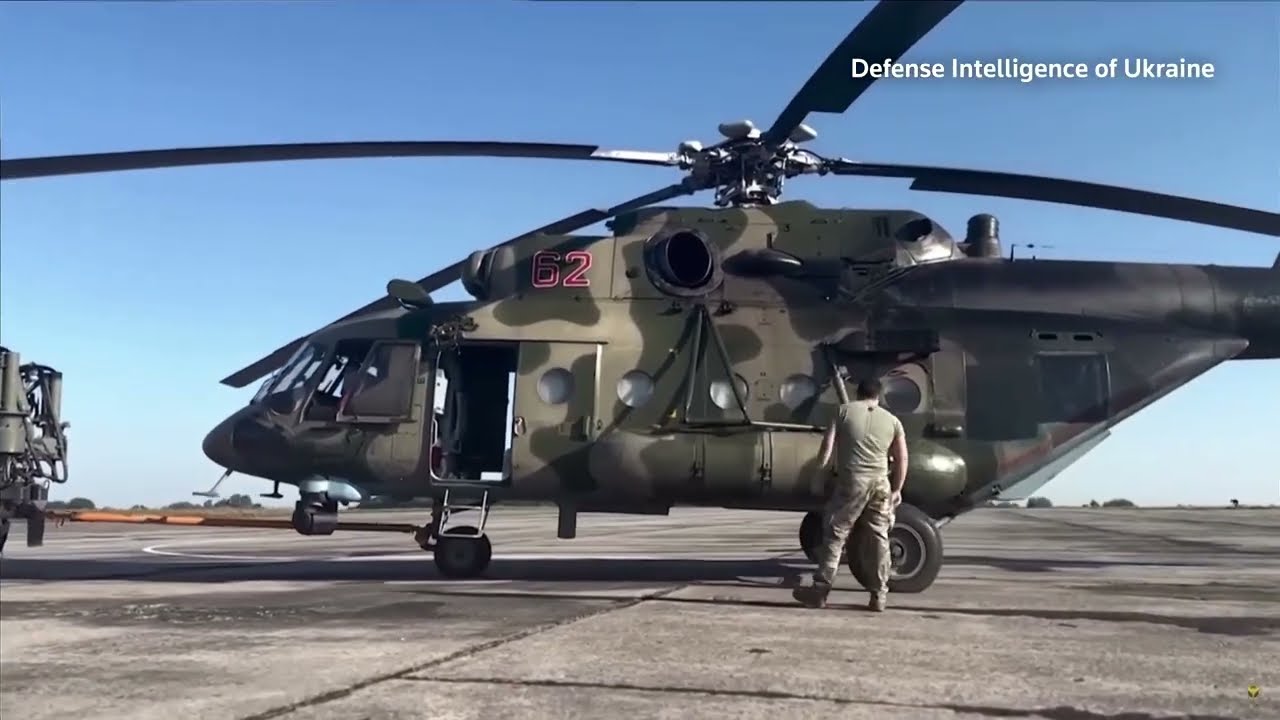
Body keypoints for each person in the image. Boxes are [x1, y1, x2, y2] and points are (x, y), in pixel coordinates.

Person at [793, 377, 908, 612]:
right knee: (879, 537)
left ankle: (820, 592)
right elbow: (902, 457)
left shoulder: (843, 412)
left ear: (858, 393)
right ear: (878, 396)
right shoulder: (893, 421)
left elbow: (827, 448)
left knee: (836, 534)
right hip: (880, 484)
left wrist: (818, 476)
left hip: (852, 482)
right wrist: (897, 489)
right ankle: (879, 595)